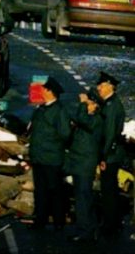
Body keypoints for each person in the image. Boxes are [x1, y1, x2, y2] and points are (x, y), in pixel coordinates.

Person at [27, 76, 71, 230]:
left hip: (52, 157)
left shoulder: (59, 111)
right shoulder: (41, 108)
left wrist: (52, 141)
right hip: (39, 157)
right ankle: (40, 220)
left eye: (44, 89)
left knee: (55, 190)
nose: (41, 91)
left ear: (50, 92)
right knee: (40, 191)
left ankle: (59, 221)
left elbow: (65, 133)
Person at [64, 88, 103, 242]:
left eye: (89, 104)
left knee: (83, 198)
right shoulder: (88, 119)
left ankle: (86, 231)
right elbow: (75, 117)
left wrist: (82, 103)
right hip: (79, 162)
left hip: (85, 164)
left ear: (95, 105)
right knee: (83, 197)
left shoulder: (96, 120)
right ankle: (89, 228)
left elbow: (81, 118)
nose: (86, 106)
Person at [96, 71, 127, 237]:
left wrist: (103, 157)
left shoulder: (112, 107)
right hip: (112, 154)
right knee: (109, 190)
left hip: (111, 155)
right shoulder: (109, 104)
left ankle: (110, 225)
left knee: (108, 191)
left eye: (101, 85)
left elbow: (109, 135)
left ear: (110, 87)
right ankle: (111, 223)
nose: (98, 88)